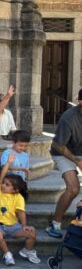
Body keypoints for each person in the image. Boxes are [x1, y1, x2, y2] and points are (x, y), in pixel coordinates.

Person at [0, 153, 40, 265]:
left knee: (32, 233)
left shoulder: (18, 197)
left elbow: (21, 213)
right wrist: (9, 163)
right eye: (4, 183)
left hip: (12, 226)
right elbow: (2, 175)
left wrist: (24, 225)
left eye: (7, 185)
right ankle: (7, 254)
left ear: (15, 190)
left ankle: (27, 250)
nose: (3, 185)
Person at [47, 88, 82, 238]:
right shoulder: (68, 118)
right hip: (63, 152)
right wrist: (77, 161)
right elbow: (57, 145)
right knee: (73, 188)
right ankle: (55, 224)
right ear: (81, 102)